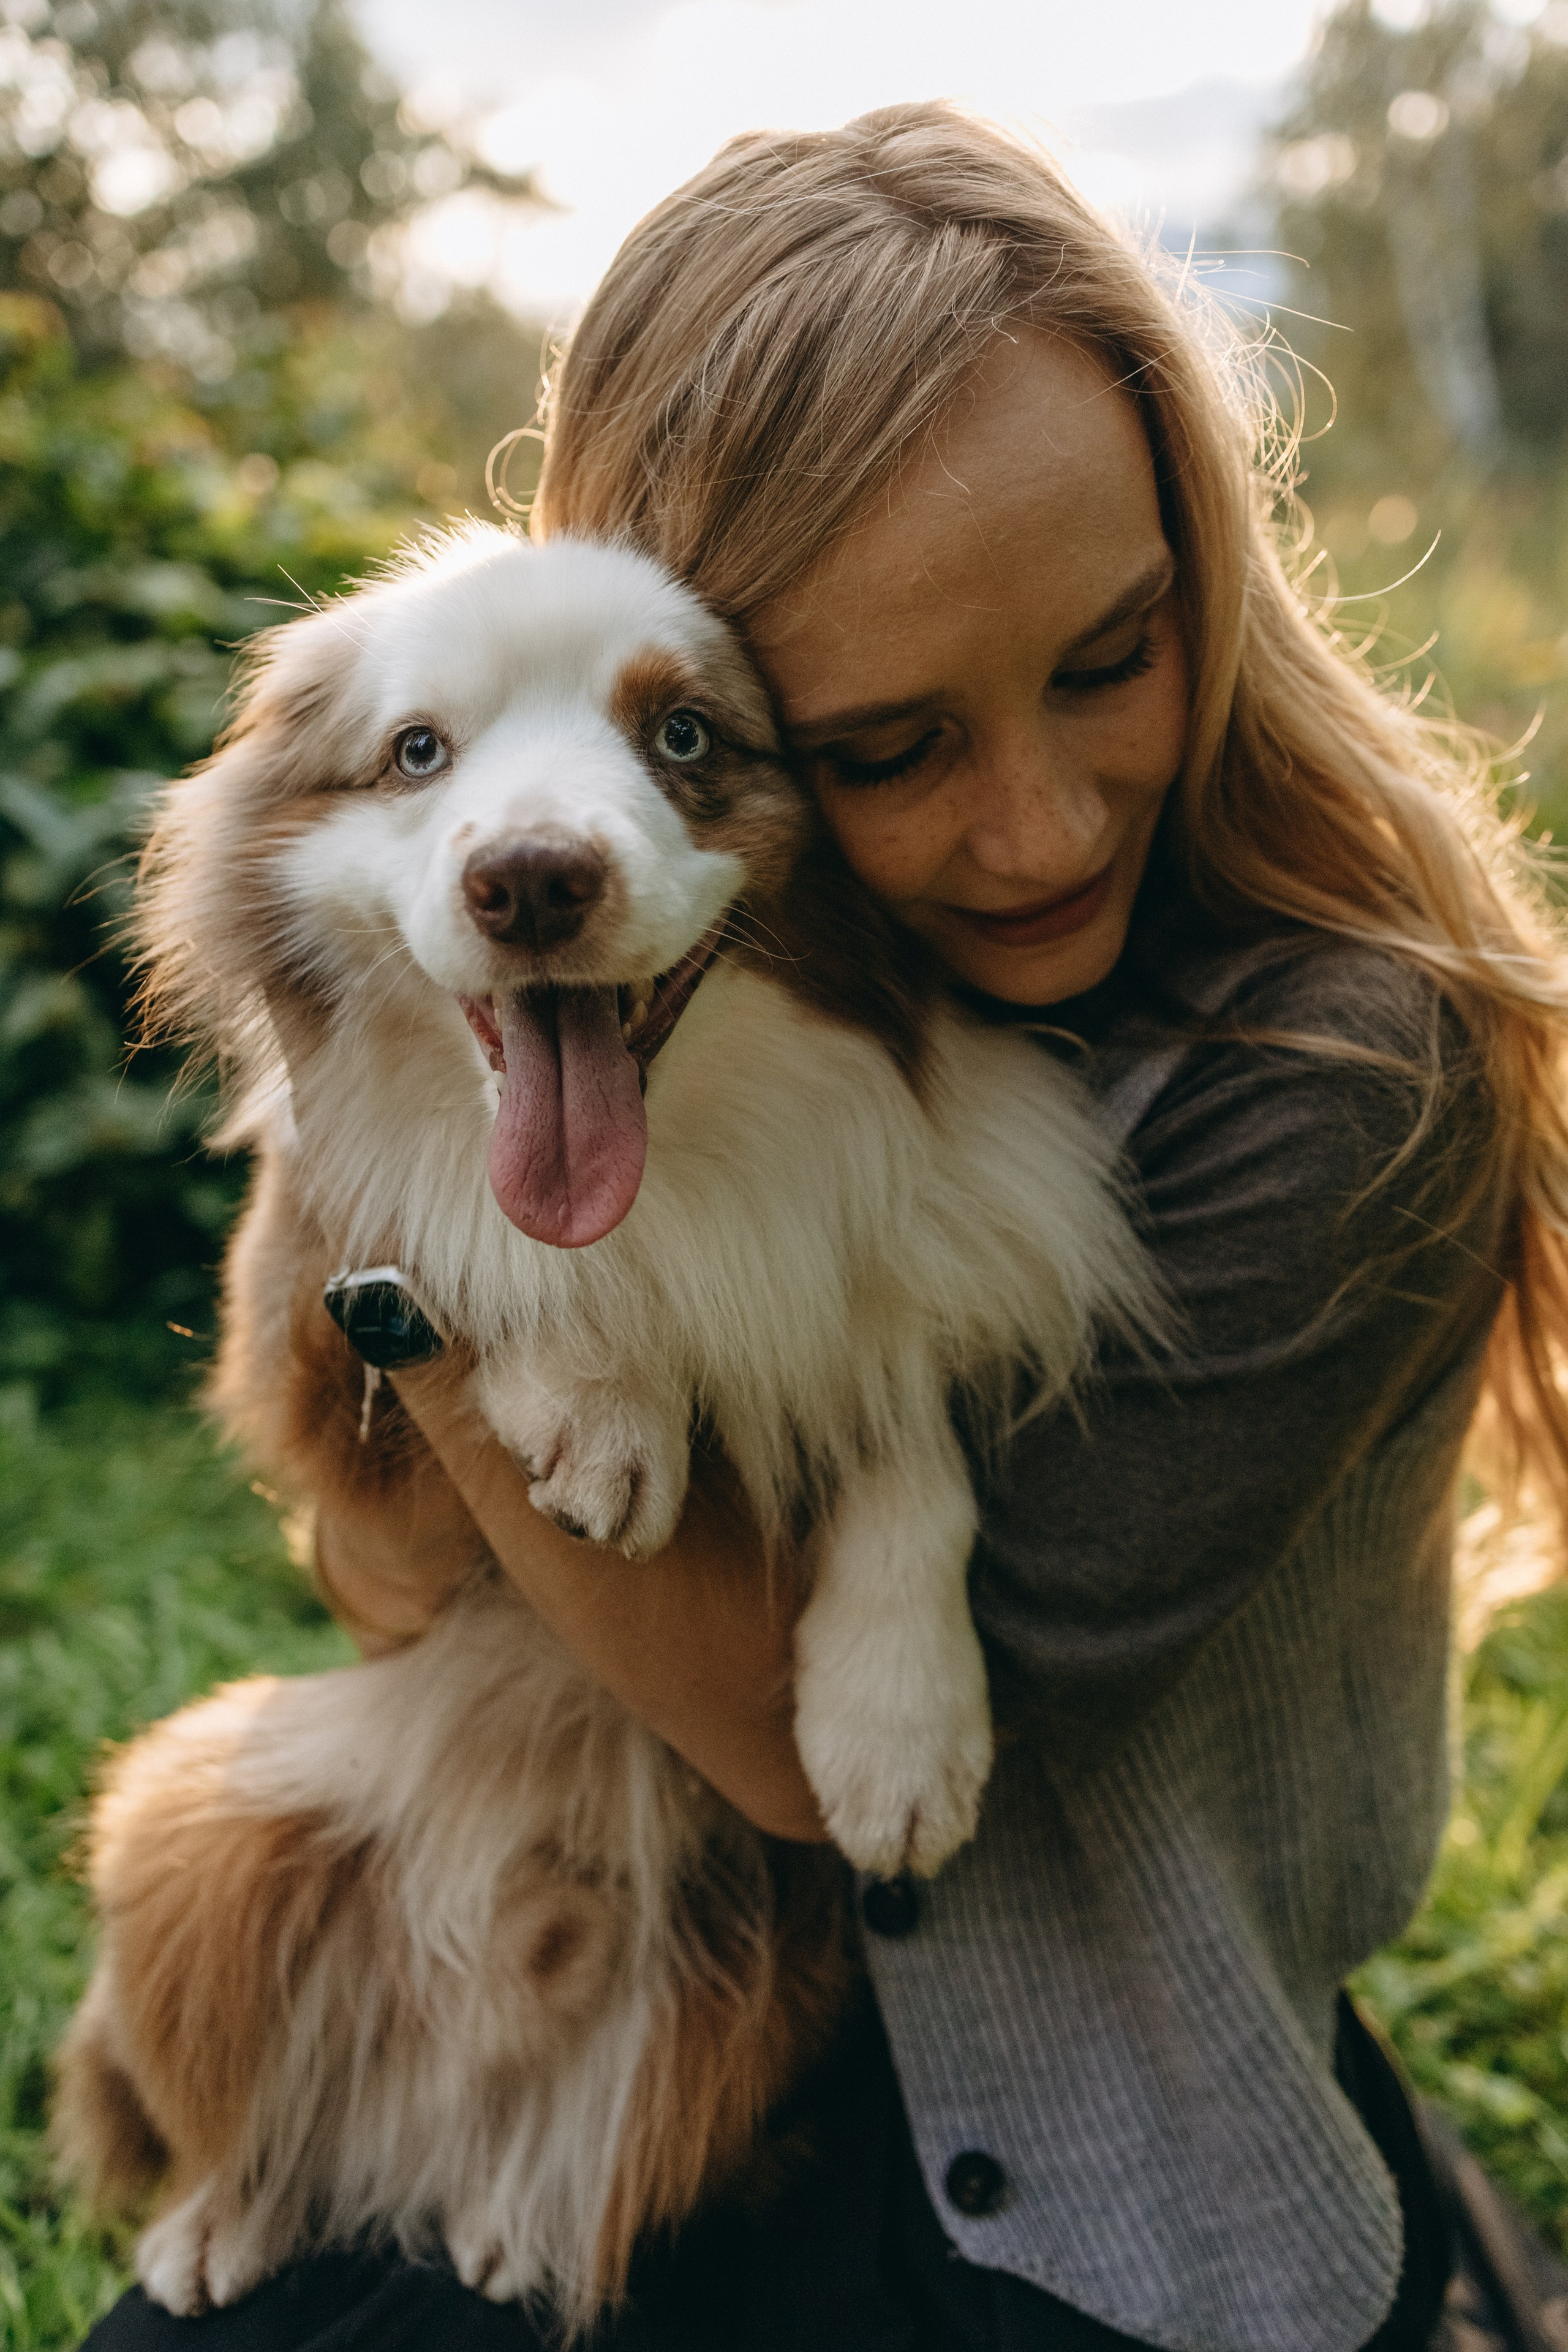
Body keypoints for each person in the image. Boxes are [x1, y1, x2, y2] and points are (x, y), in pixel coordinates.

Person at [85, 102, 1568, 2352]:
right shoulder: (726, 979)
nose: (1042, 820)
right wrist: (385, 1184)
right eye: (889, 742)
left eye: (1112, 654)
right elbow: (380, 1572)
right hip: (633, 1983)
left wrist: (805, 1455)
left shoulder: (1342, 1081)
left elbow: (794, 1752)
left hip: (1113, 2167)